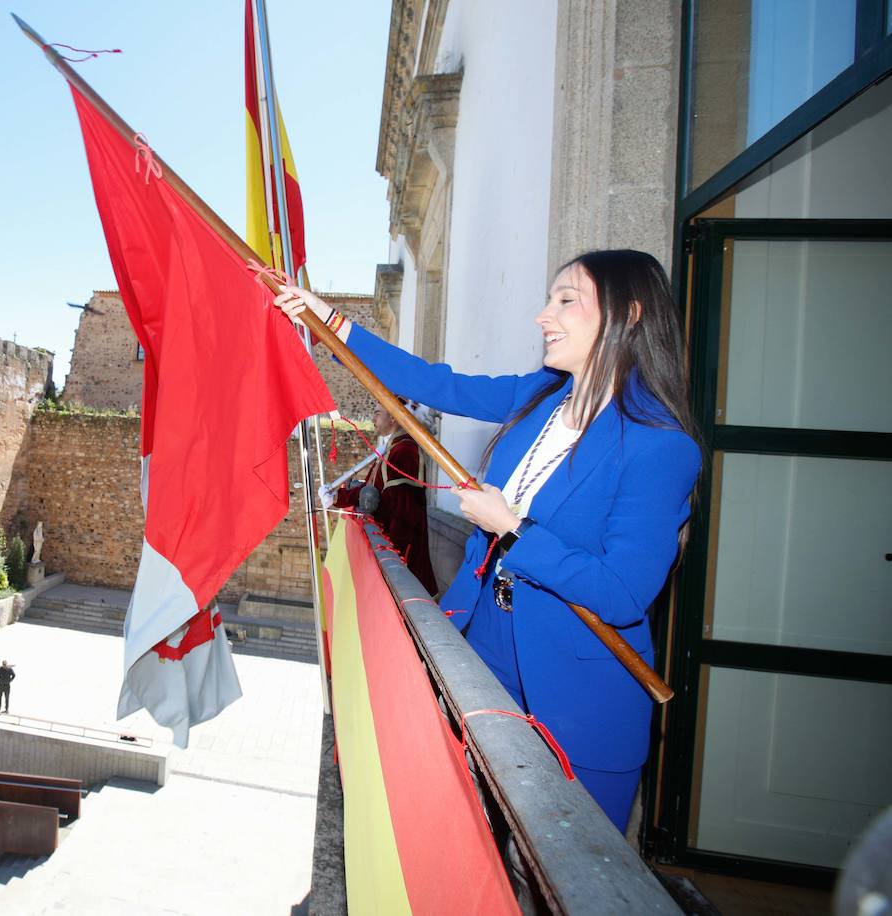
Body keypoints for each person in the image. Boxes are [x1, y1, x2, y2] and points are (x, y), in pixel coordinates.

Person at [275, 250, 702, 833]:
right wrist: (332, 321)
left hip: (578, 704)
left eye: (565, 300)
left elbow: (623, 592)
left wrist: (513, 528)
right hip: (484, 656)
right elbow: (435, 383)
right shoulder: (541, 396)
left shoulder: (661, 446)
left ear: (629, 315)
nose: (542, 316)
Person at [326, 402, 439, 596]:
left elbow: (404, 512)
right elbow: (372, 488)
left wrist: (391, 558)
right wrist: (337, 497)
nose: (373, 419)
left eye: (378, 414)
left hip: (401, 557)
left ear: (394, 417)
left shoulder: (405, 452)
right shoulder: (394, 448)